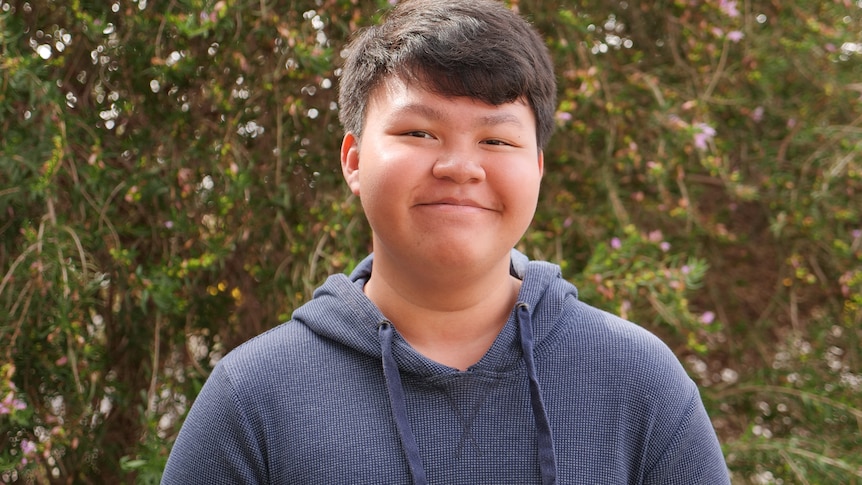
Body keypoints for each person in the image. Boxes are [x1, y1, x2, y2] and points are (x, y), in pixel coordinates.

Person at [161, 0, 730, 483]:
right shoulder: (255, 395)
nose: (461, 166)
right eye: (419, 132)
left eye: (496, 140)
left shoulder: (637, 381)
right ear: (354, 160)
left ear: (537, 167)